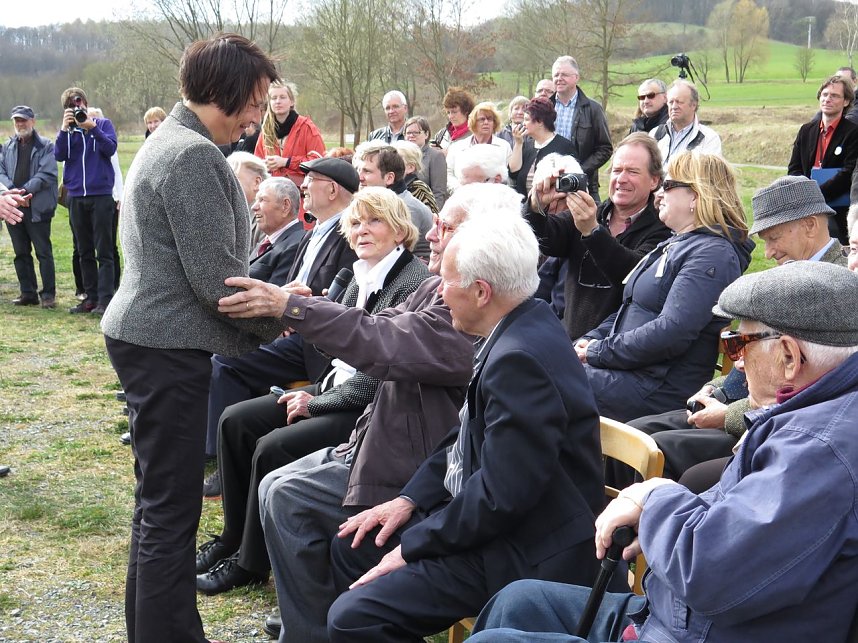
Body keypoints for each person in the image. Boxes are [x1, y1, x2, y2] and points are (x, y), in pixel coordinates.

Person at [468, 260, 858, 643]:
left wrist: (653, 497)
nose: (736, 362)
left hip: (695, 629)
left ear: (789, 357)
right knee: (520, 600)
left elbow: (709, 572)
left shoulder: (818, 450)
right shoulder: (812, 416)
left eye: (738, 343)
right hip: (675, 617)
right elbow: (736, 522)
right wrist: (660, 519)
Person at [323, 196, 608, 643]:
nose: (438, 291)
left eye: (447, 282)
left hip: (527, 549)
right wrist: (409, 500)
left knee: (354, 618)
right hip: (504, 524)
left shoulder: (520, 360)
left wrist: (414, 546)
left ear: (481, 291)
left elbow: (500, 497)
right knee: (355, 543)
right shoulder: (518, 326)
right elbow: (466, 434)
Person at [218, 185, 493, 642]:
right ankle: (312, 619)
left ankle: (314, 626)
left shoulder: (461, 306)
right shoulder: (432, 286)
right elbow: (374, 330)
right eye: (437, 223)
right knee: (273, 482)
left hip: (408, 460)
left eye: (447, 227)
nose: (434, 233)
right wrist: (307, 309)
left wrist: (295, 308)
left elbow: (383, 344)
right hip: (378, 439)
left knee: (288, 495)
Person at [99, 33, 282, 643]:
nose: (258, 116)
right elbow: (216, 284)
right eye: (255, 101)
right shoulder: (193, 156)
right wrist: (288, 317)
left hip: (152, 341)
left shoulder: (172, 142)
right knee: (171, 512)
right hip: (164, 347)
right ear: (225, 91)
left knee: (158, 507)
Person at [195, 187, 429, 596]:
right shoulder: (362, 272)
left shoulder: (412, 280)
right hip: (332, 388)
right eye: (355, 223)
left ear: (399, 229)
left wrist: (317, 401)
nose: (362, 231)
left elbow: (384, 371)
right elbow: (337, 349)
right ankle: (233, 537)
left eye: (374, 221)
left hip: (369, 408)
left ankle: (251, 563)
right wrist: (311, 318)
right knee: (235, 422)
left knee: (272, 446)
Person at [616, 175, 848, 489]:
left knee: (658, 450)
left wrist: (728, 414)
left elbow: (815, 384)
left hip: (766, 422)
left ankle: (640, 531)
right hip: (733, 400)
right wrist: (714, 387)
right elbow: (753, 351)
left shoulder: (840, 289)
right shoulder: (792, 272)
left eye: (774, 237)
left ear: (809, 225)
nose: (768, 252)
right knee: (633, 434)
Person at [202, 157, 360, 488]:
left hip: (316, 342)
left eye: (311, 180)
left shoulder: (352, 234)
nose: (303, 186)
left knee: (227, 363)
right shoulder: (313, 230)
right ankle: (222, 445)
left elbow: (349, 299)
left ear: (332, 189)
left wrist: (300, 308)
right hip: (290, 327)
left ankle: (223, 459)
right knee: (223, 350)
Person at [576, 152, 752, 423]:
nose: (659, 193)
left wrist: (597, 353)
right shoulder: (678, 243)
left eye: (668, 186)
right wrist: (588, 342)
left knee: (541, 378)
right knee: (543, 366)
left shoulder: (713, 254)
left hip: (656, 388)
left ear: (696, 195)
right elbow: (628, 309)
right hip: (629, 373)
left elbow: (672, 332)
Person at [525, 134, 671, 340]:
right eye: (617, 170)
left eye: (633, 172)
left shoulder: (663, 228)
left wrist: (593, 232)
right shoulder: (593, 212)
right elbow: (544, 239)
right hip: (569, 342)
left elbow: (635, 276)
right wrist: (536, 205)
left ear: (654, 180)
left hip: (617, 349)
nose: (621, 179)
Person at [55, 86, 117, 314]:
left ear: (86, 103)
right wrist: (64, 129)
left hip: (100, 195)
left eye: (79, 102)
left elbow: (110, 148)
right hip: (77, 198)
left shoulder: (103, 125)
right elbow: (59, 155)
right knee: (84, 250)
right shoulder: (67, 133)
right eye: (71, 105)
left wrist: (91, 127)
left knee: (104, 250)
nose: (77, 107)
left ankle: (106, 299)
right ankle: (89, 297)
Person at [0, 105, 58, 308]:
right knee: (21, 253)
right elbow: (1, 172)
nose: (20, 124)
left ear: (33, 121)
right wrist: (11, 195)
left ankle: (48, 295)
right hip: (14, 208)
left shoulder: (46, 146)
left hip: (36, 208)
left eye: (23, 120)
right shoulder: (7, 147)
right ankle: (28, 293)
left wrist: (22, 192)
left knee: (43, 252)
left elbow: (46, 174)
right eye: (16, 120)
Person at [790, 75, 858, 244]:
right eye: (825, 94)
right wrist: (806, 192)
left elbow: (848, 172)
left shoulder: (853, 132)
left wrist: (817, 193)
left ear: (846, 101)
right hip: (807, 208)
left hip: (839, 211)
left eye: (834, 96)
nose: (828, 99)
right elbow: (794, 168)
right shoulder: (806, 130)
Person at [353, 141, 431, 259]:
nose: (359, 177)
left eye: (367, 171)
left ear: (389, 178)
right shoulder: (379, 204)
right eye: (358, 170)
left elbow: (390, 259)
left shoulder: (406, 209)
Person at [549, 55, 613, 201]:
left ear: (576, 77)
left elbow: (605, 148)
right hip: (549, 184)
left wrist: (579, 171)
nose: (559, 78)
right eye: (556, 75)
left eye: (564, 74)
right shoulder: (545, 107)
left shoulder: (593, 109)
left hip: (584, 186)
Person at [254, 80, 325, 187]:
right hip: (272, 193)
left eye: (282, 97)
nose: (278, 101)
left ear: (291, 102)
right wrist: (264, 166)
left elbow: (319, 161)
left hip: (300, 193)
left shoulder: (306, 127)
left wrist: (286, 162)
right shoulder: (266, 131)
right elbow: (257, 163)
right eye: (274, 98)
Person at [508, 97, 576, 197]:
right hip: (525, 208)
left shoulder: (564, 146)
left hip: (552, 209)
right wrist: (518, 143)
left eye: (526, 119)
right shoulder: (527, 145)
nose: (523, 124)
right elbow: (513, 173)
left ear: (540, 122)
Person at [650, 79, 722, 164]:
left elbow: (709, 174)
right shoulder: (655, 134)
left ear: (693, 105)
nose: (674, 106)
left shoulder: (709, 138)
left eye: (679, 102)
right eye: (671, 102)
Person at [446, 101, 512, 193]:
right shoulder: (456, 147)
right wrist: (459, 189)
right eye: (481, 119)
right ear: (473, 122)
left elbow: (510, 177)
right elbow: (448, 174)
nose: (486, 122)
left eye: (489, 119)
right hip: (463, 197)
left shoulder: (504, 147)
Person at [248, 177, 304, 285]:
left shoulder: (296, 245)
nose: (254, 207)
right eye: (256, 200)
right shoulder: (266, 243)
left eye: (262, 200)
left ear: (285, 206)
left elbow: (274, 297)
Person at [226, 151, 270, 248]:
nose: (227, 185)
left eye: (234, 179)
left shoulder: (269, 217)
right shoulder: (228, 213)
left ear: (257, 182)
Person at [404, 115, 447, 208]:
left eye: (416, 132)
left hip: (426, 210)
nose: (411, 136)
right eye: (408, 133)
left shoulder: (436, 156)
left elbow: (439, 193)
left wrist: (434, 216)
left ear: (426, 134)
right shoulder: (399, 156)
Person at [393, 140, 438, 213]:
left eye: (396, 160)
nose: (390, 163)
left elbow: (430, 220)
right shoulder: (388, 184)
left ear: (410, 167)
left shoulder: (419, 188)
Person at [433, 87, 475, 151]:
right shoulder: (441, 135)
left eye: (454, 112)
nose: (450, 116)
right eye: (448, 112)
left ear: (466, 111)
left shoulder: (476, 136)